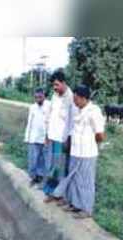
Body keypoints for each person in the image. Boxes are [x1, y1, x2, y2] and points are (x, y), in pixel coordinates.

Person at [52, 85, 106, 219]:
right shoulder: (78, 110)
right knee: (74, 180)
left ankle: (86, 209)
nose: (74, 102)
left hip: (88, 153)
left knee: (86, 182)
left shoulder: (94, 111)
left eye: (76, 99)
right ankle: (75, 205)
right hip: (76, 151)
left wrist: (91, 143)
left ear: (83, 98)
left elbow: (100, 134)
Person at [43, 71, 74, 203]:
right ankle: (52, 192)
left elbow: (72, 121)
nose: (54, 88)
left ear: (63, 82)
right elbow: (50, 116)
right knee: (53, 166)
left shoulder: (71, 97)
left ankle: (61, 195)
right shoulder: (55, 96)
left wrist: (69, 139)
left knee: (61, 167)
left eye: (56, 85)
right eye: (53, 85)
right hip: (52, 137)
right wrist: (46, 135)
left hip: (63, 140)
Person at [24, 88, 51, 186]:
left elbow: (51, 122)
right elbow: (29, 122)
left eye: (40, 97)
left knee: (43, 160)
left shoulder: (49, 106)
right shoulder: (32, 107)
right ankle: (33, 177)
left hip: (45, 138)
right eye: (36, 97)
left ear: (44, 96)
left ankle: (41, 178)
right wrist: (27, 137)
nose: (38, 99)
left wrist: (48, 137)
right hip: (34, 137)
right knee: (33, 159)